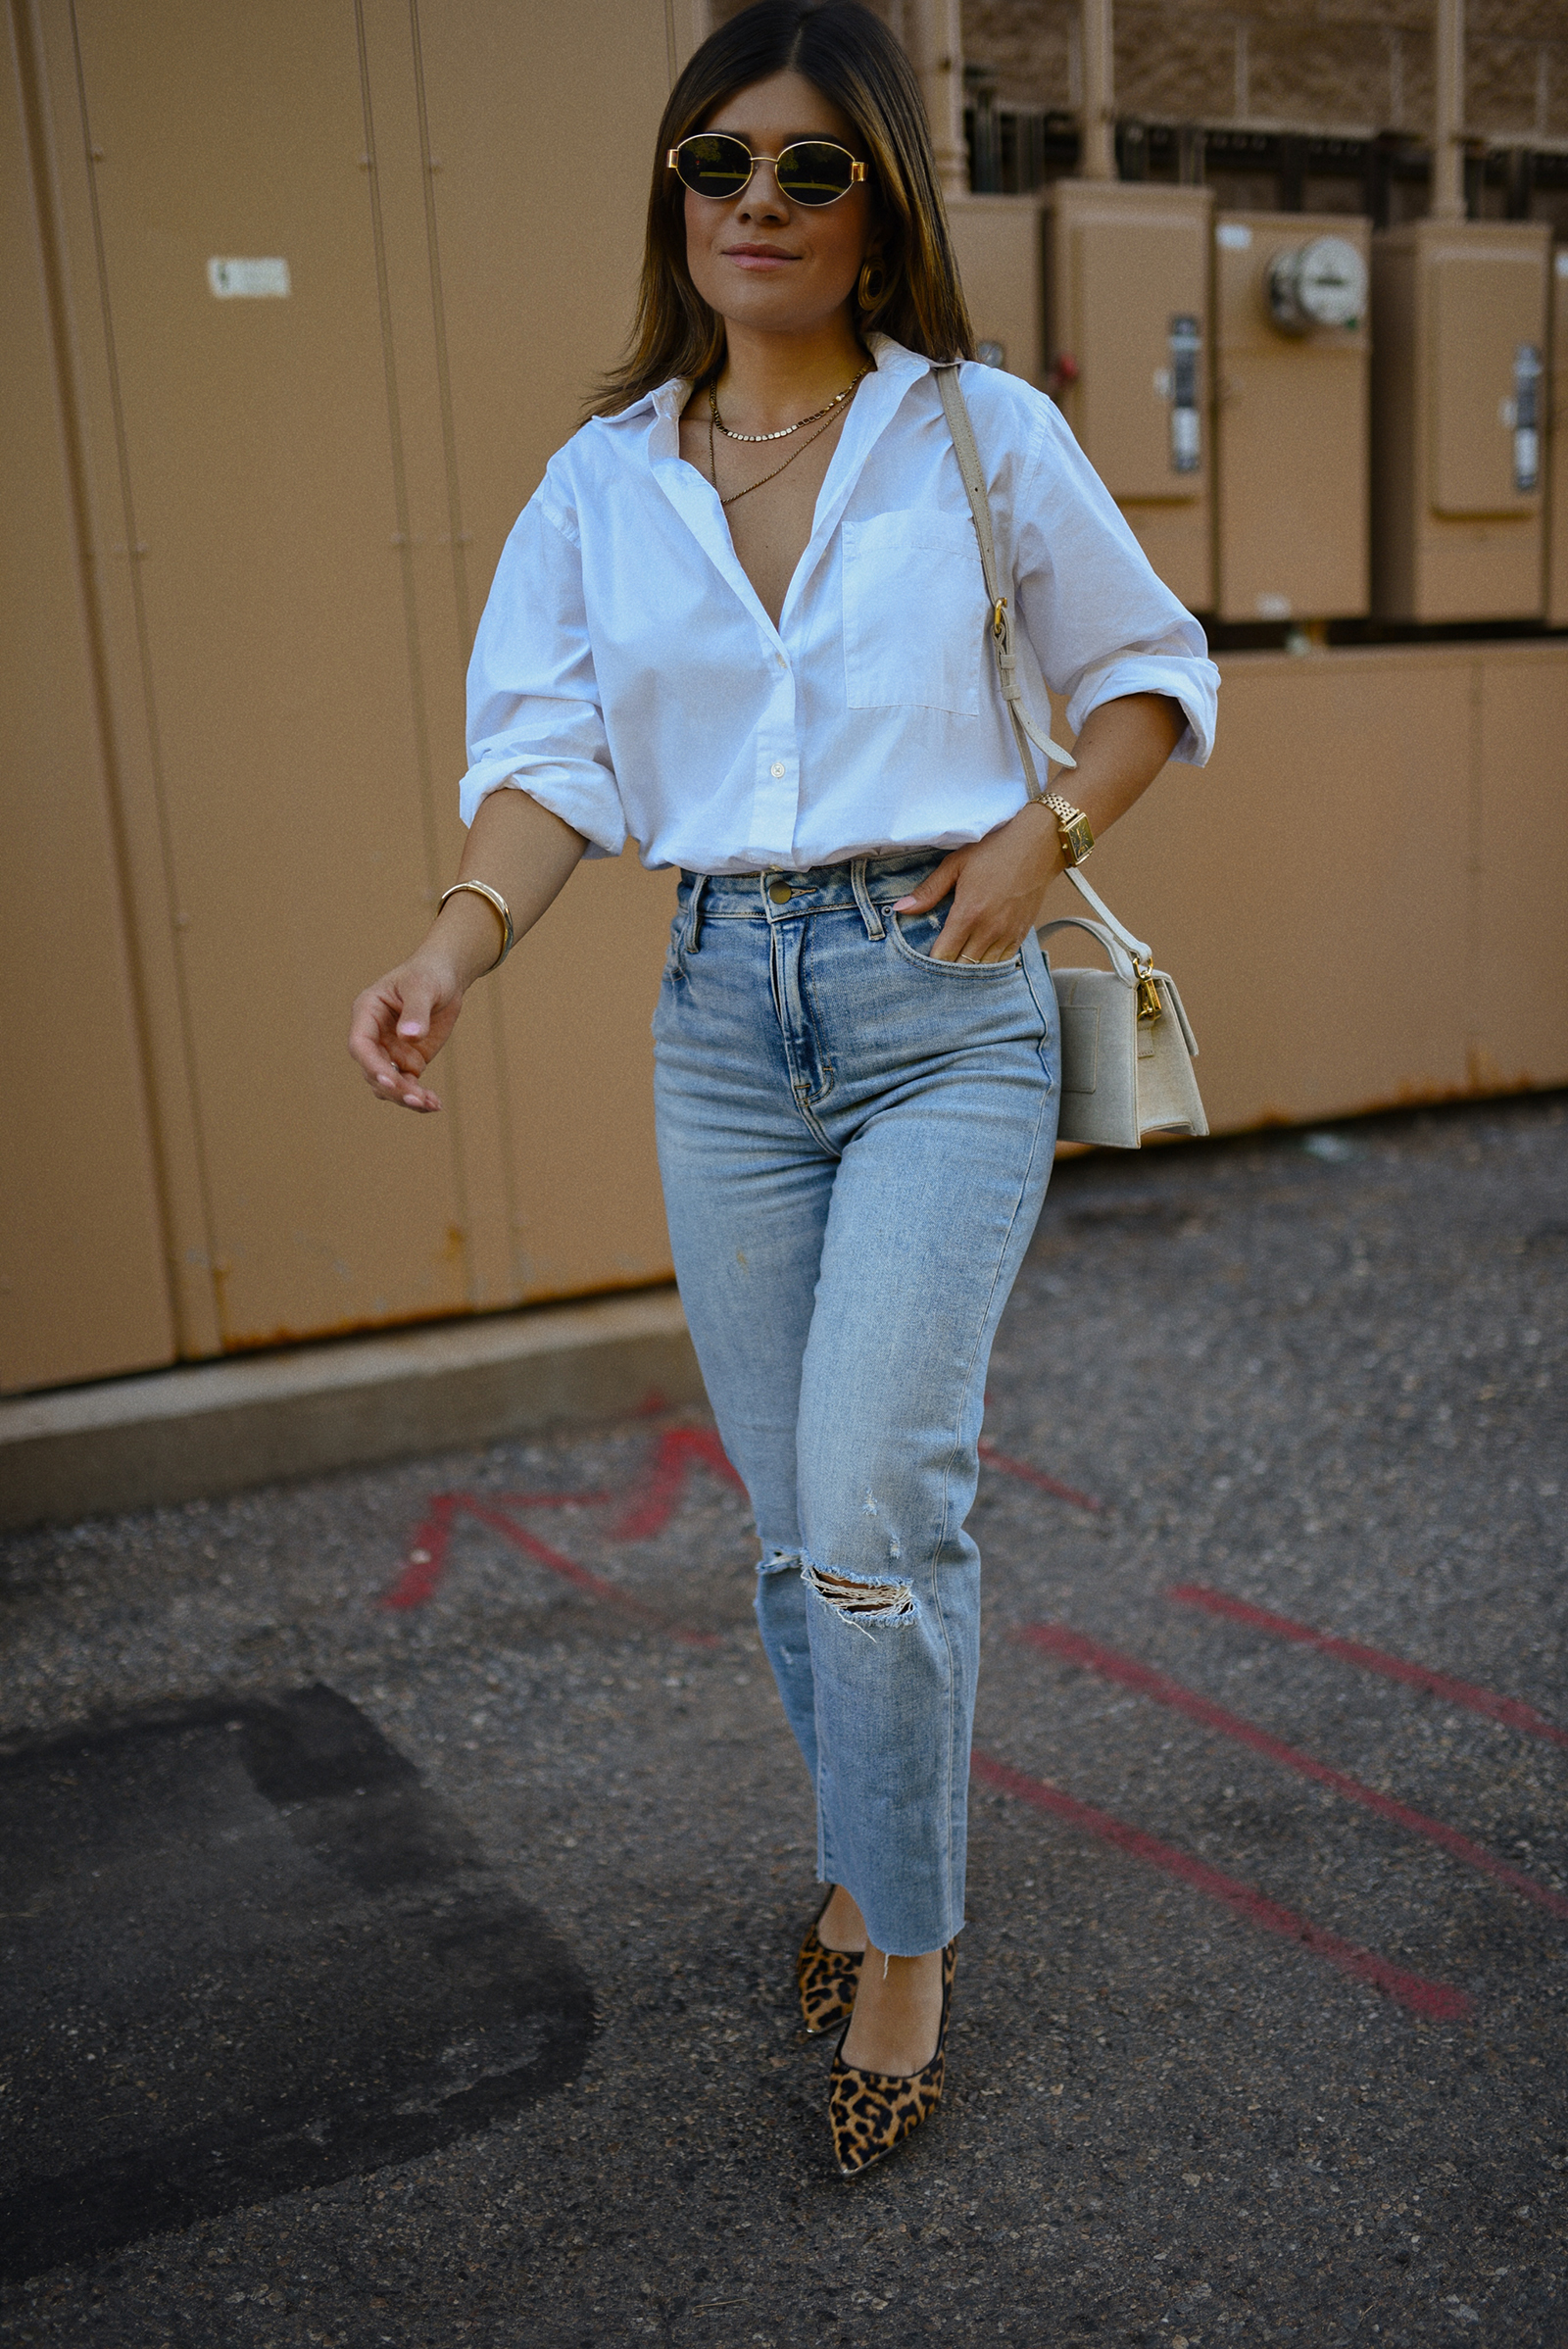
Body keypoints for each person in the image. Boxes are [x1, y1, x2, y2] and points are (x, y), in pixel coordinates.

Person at [349, 0, 1217, 2178]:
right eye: (717, 162)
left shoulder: (975, 434)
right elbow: (544, 757)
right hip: (721, 1015)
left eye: (807, 167)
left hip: (940, 1002)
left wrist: (1038, 844)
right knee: (781, 1523)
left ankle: (900, 1936)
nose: (756, 201)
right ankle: (858, 1847)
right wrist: (450, 948)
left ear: (879, 200)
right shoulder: (601, 474)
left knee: (876, 1497)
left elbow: (1145, 676)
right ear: (675, 190)